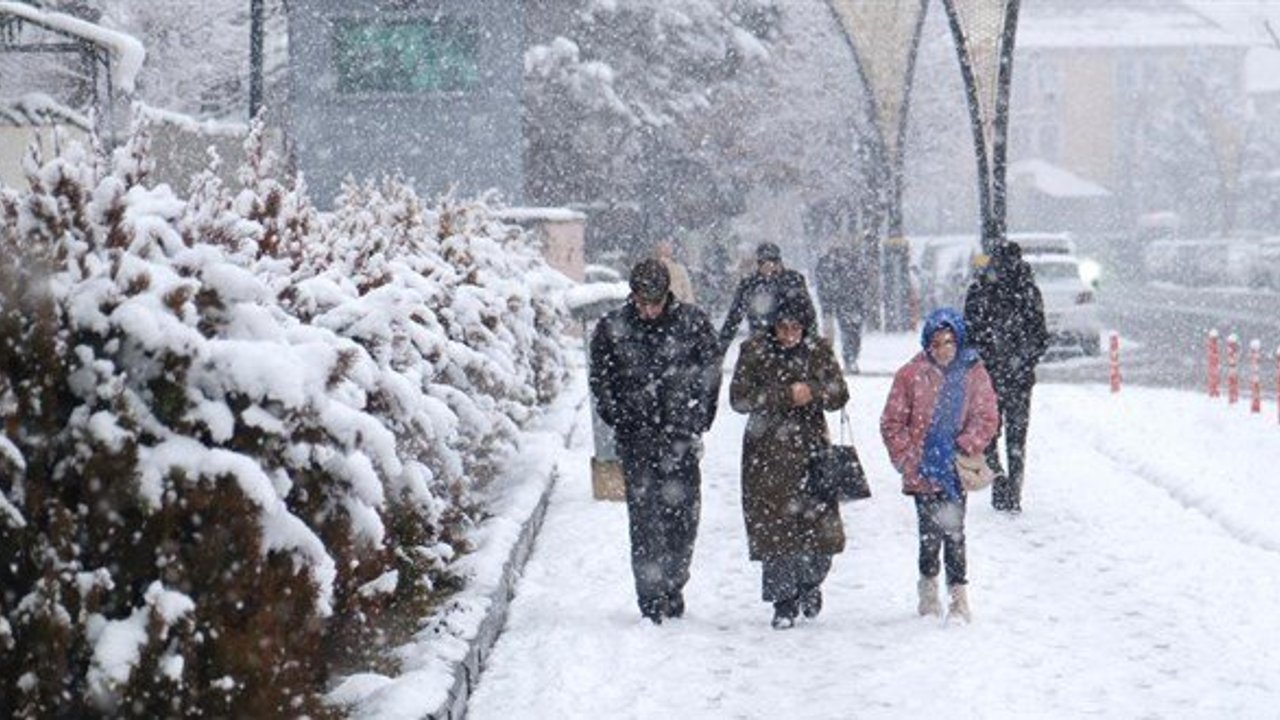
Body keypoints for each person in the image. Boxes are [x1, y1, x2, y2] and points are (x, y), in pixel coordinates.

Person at [589, 258, 723, 624]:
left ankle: (674, 583)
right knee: (645, 521)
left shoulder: (692, 323)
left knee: (683, 519)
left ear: (667, 295)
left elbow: (710, 372)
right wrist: (618, 415)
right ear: (632, 296)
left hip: (680, 437)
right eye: (642, 302)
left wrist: (698, 417)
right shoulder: (612, 328)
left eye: (655, 302)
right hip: (637, 439)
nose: (649, 310)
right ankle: (650, 598)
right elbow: (601, 379)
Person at [729, 291, 849, 629]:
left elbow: (839, 393)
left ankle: (809, 583)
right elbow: (739, 398)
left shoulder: (818, 350)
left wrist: (814, 390)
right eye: (782, 327)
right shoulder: (754, 351)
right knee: (774, 531)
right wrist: (784, 395)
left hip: (812, 452)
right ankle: (783, 602)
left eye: (796, 328)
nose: (789, 335)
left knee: (821, 532)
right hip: (767, 455)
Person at [880, 307, 999, 623]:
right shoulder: (910, 375)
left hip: (954, 468)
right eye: (936, 343)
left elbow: (986, 417)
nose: (943, 349)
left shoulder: (973, 372)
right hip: (922, 469)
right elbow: (892, 422)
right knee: (929, 534)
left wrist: (963, 446)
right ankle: (929, 594)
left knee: (955, 532)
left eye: (949, 342)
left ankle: (959, 599)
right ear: (927, 344)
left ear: (958, 340)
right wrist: (910, 459)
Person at [963, 241, 1049, 513]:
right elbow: (1040, 336)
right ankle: (1013, 490)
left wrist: (985, 359)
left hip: (990, 376)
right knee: (1016, 436)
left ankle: (998, 476)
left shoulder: (980, 290)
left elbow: (969, 334)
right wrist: (1024, 360)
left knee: (989, 432)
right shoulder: (1028, 291)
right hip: (1018, 378)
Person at [718, 242, 816, 353]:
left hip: (790, 339)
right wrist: (721, 349)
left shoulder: (793, 280)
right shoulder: (750, 284)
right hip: (761, 341)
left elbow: (808, 312)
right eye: (764, 263)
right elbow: (734, 317)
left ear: (779, 262)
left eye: (773, 262)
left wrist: (811, 339)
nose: (769, 267)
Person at [814, 238, 867, 373]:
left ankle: (849, 359)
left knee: (851, 332)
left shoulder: (852, 261)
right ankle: (841, 360)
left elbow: (862, 281)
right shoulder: (828, 262)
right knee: (843, 333)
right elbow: (822, 285)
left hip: (849, 302)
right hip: (842, 302)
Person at [655, 239, 697, 305]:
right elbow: (688, 296)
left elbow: (688, 295)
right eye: (662, 245)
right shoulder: (679, 269)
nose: (665, 248)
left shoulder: (679, 269)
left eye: (667, 246)